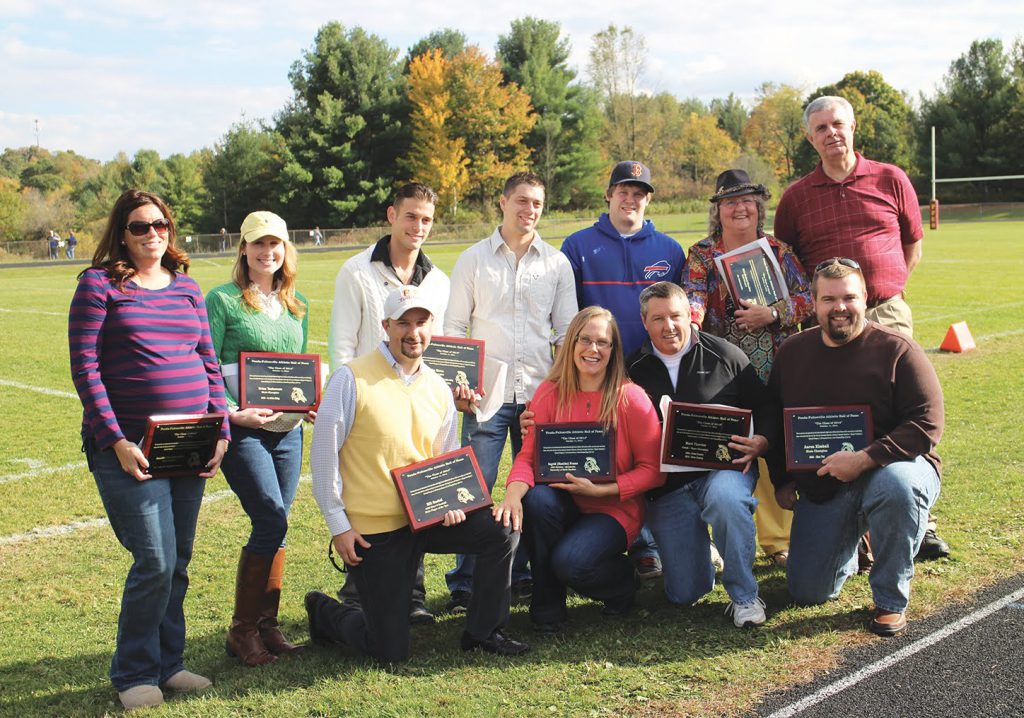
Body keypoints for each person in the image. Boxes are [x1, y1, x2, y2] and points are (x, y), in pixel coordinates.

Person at [68, 189, 230, 711]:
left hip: (188, 444)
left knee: (178, 559)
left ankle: (169, 663)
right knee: (155, 559)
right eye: (140, 227)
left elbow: (207, 360)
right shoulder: (99, 287)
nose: (152, 234)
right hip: (126, 447)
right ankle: (134, 671)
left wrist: (221, 430)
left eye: (160, 224)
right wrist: (116, 439)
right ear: (122, 233)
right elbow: (86, 369)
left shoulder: (186, 288)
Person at [306, 286, 529, 661]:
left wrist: (453, 502)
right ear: (386, 326)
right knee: (387, 651)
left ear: (432, 326)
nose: (413, 333)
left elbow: (443, 459)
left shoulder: (439, 388)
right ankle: (326, 612)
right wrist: (339, 525)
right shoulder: (351, 378)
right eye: (403, 323)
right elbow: (323, 455)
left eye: (421, 322)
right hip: (376, 528)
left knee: (501, 531)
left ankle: (484, 631)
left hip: (426, 518)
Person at [774, 95, 949, 560]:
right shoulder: (795, 198)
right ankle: (857, 526)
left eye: (838, 124)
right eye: (821, 128)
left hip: (885, 310)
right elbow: (791, 267)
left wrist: (886, 293)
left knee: (901, 412)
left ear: (853, 127)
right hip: (827, 318)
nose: (831, 133)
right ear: (811, 138)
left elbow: (912, 244)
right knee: (839, 416)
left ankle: (918, 520)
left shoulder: (891, 178)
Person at [767, 258, 943, 636]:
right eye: (829, 299)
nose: (840, 308)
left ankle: (889, 600)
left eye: (849, 297)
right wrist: (782, 480)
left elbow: (927, 424)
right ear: (813, 303)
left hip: (892, 469)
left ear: (865, 297)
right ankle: (853, 544)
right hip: (828, 483)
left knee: (897, 486)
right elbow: (777, 421)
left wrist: (864, 459)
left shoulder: (898, 350)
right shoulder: (793, 353)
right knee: (807, 591)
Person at [442, 172, 577, 613]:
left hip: (539, 396)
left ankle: (524, 574)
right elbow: (455, 327)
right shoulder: (473, 260)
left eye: (537, 203)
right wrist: (460, 382)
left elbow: (567, 333)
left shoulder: (556, 264)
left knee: (536, 490)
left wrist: (558, 392)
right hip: (485, 397)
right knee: (473, 488)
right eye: (521, 201)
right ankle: (464, 582)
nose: (529, 210)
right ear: (502, 203)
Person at [494, 306, 662, 633]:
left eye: (603, 342)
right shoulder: (549, 392)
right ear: (571, 344)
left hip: (612, 508)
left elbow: (653, 469)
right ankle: (547, 606)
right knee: (536, 501)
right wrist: (512, 496)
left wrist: (604, 490)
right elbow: (528, 457)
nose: (593, 349)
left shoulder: (632, 398)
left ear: (614, 351)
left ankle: (623, 584)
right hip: (562, 503)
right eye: (585, 340)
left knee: (572, 563)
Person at [327, 183, 449, 623]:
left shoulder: (439, 281)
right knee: (366, 497)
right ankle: (356, 594)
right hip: (365, 398)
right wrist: (348, 400)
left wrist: (455, 389)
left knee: (416, 484)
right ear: (391, 216)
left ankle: (412, 596)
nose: (418, 227)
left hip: (415, 395)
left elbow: (439, 346)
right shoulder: (356, 271)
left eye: (427, 219)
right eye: (411, 216)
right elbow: (342, 342)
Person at [559, 161, 685, 578]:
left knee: (653, 455)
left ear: (648, 200)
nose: (630, 199)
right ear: (609, 196)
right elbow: (566, 316)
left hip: (652, 371)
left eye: (639, 193)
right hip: (599, 371)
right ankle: (616, 538)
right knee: (610, 457)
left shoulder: (668, 249)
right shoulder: (577, 246)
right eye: (623, 191)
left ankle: (653, 543)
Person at [627, 282, 777, 627]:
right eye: (658, 318)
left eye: (676, 316)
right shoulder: (632, 369)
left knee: (726, 500)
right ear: (644, 321)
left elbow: (765, 404)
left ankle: (744, 596)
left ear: (689, 315)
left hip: (721, 472)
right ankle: (704, 557)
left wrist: (763, 440)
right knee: (685, 593)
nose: (669, 326)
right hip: (667, 487)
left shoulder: (725, 354)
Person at [683, 169, 812, 567]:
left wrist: (771, 313)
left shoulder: (780, 251)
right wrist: (687, 323)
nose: (740, 208)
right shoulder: (703, 254)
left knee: (774, 445)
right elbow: (693, 295)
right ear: (718, 210)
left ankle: (779, 542)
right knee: (728, 451)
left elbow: (808, 297)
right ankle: (724, 538)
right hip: (725, 371)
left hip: (777, 364)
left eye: (747, 202)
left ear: (758, 208)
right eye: (730, 202)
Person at [206, 211, 312, 667]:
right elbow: (206, 365)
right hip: (243, 428)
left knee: (279, 522)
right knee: (270, 518)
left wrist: (308, 400)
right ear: (244, 249)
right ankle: (242, 630)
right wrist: (233, 414)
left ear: (286, 249)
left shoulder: (297, 303)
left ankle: (267, 625)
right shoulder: (223, 300)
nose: (268, 252)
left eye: (276, 244)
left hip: (288, 431)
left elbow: (296, 367)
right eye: (259, 244)